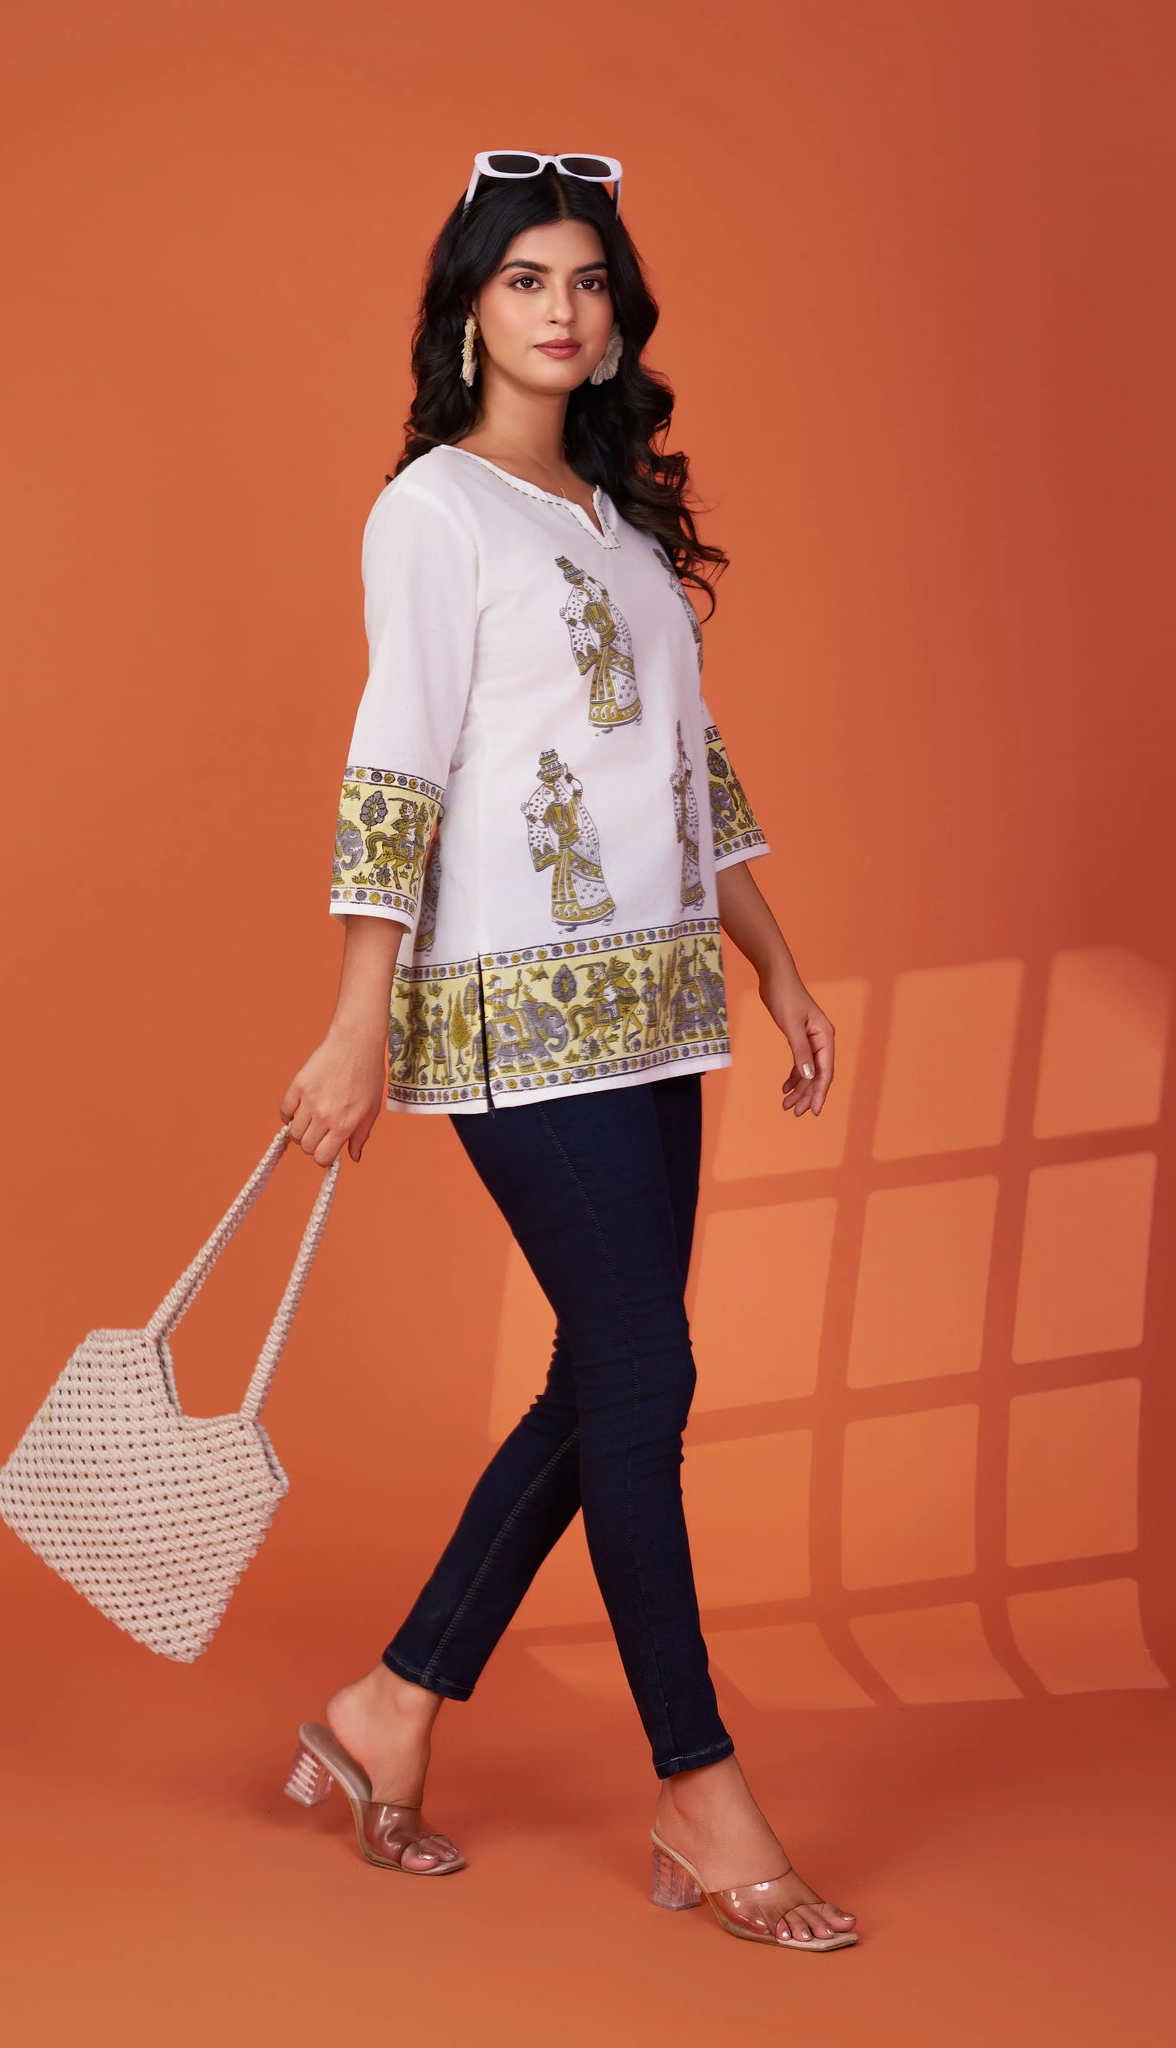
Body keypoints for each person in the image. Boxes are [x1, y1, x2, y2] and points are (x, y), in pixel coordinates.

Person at [279, 151, 857, 1951]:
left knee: (607, 1379)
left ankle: (386, 1711)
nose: (560, 306)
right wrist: (356, 1020)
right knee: (641, 1374)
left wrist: (775, 964)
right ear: (471, 311)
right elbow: (398, 762)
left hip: (656, 1002)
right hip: (509, 1010)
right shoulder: (432, 512)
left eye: (587, 281)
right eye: (525, 277)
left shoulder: (617, 526)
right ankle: (698, 1786)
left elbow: (690, 768)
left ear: (615, 324)